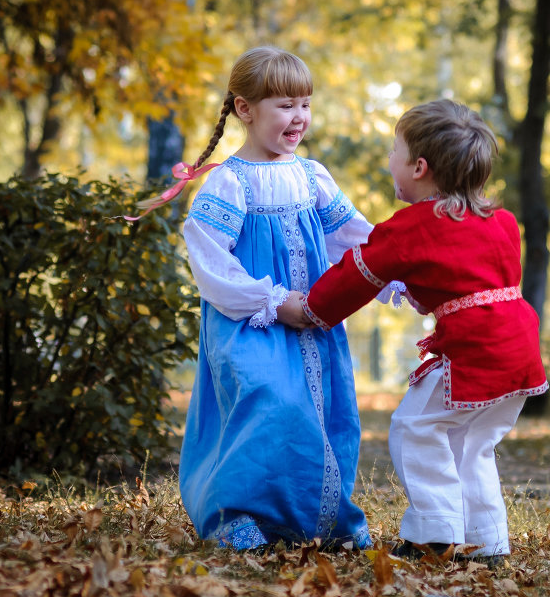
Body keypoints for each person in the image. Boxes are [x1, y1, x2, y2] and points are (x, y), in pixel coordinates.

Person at [278, 99, 547, 567]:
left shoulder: (410, 228)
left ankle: (436, 534)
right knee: (473, 445)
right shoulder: (501, 221)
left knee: (414, 428)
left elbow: (355, 275)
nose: (390, 162)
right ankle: (486, 541)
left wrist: (313, 309)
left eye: (393, 152)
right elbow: (473, 277)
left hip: (474, 351)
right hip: (519, 351)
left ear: (419, 167)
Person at [166, 46, 393, 551]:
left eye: (306, 104)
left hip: (314, 323)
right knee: (269, 403)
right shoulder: (231, 181)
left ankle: (321, 519)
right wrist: (268, 300)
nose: (300, 117)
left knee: (323, 411)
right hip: (251, 323)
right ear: (246, 110)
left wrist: (398, 271)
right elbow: (209, 257)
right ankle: (236, 514)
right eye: (286, 105)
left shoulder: (312, 176)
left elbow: (353, 236)